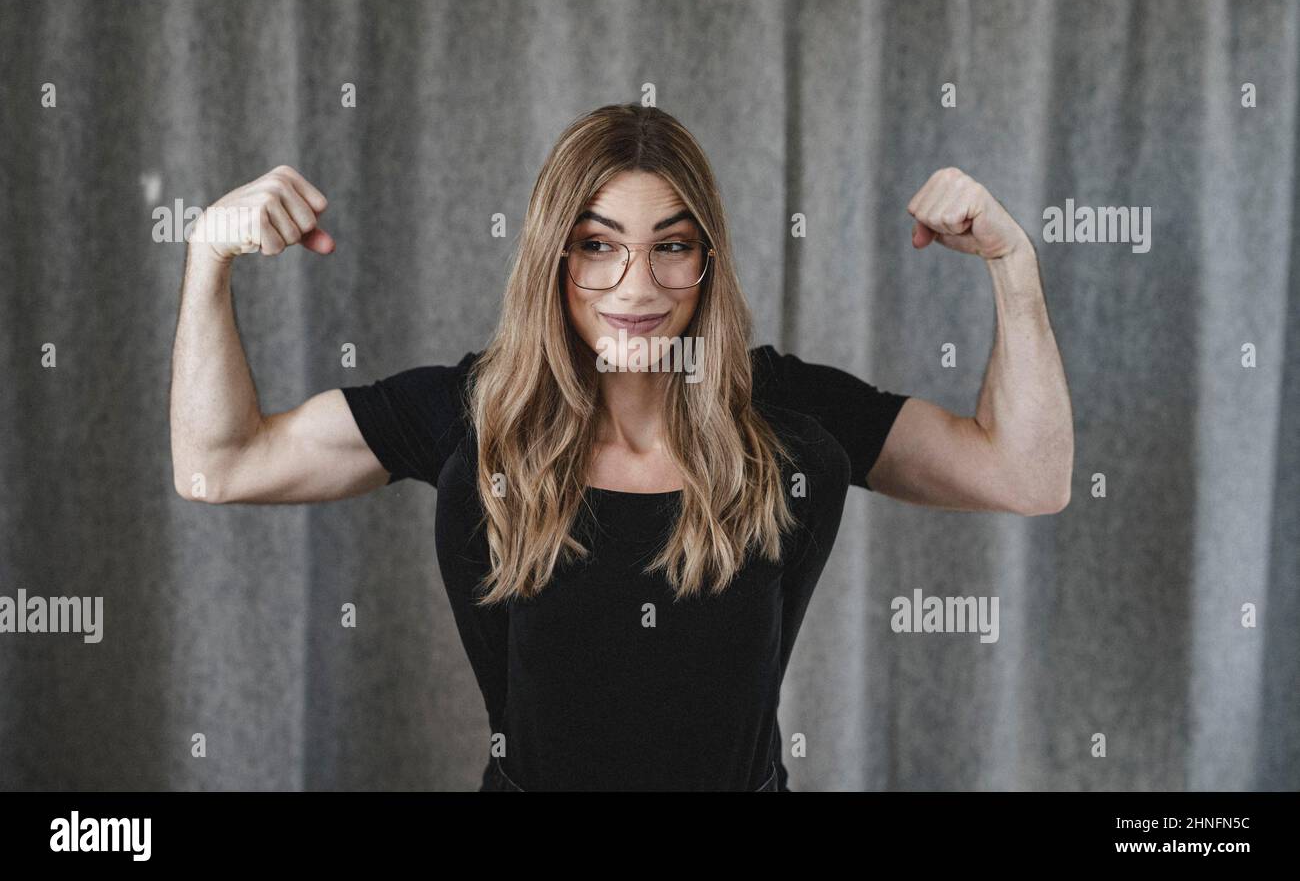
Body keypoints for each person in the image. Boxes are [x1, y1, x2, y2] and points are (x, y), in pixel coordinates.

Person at [169, 103, 1073, 791]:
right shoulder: (476, 411)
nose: (636, 286)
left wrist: (1013, 267)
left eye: (670, 246)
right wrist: (209, 257)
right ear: (554, 261)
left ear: (707, 261)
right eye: (598, 246)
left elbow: (1026, 476)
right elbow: (221, 466)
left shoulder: (784, 412)